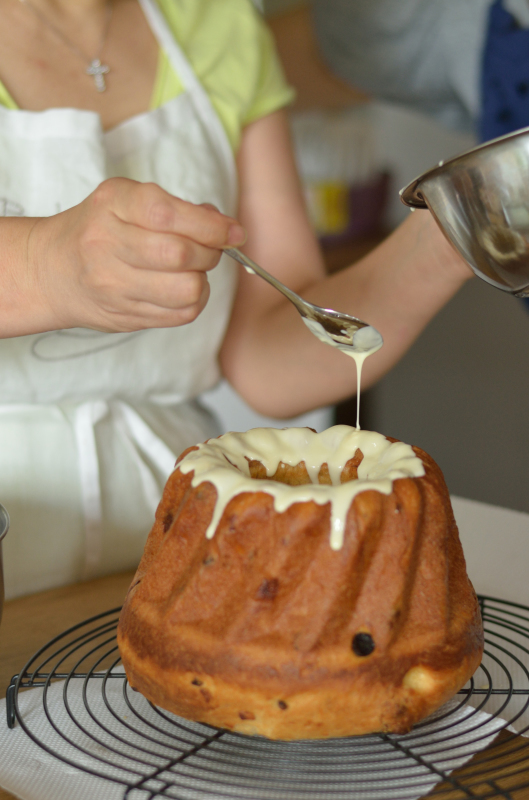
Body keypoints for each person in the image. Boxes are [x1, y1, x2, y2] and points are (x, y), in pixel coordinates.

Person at [0, 0, 470, 600]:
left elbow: (267, 350)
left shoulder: (218, 23)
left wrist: (451, 233)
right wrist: (43, 264)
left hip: (177, 537)